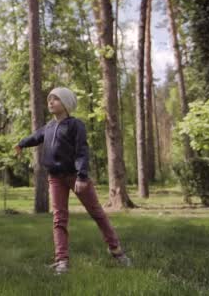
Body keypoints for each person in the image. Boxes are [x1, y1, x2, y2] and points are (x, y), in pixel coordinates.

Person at [15, 87, 132, 275]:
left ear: (66, 103)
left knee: (97, 213)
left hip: (75, 177)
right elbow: (35, 137)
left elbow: (82, 151)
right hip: (55, 178)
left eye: (56, 99)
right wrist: (21, 144)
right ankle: (62, 261)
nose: (51, 102)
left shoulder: (75, 125)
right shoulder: (49, 127)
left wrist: (82, 176)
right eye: (49, 99)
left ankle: (117, 250)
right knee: (59, 218)